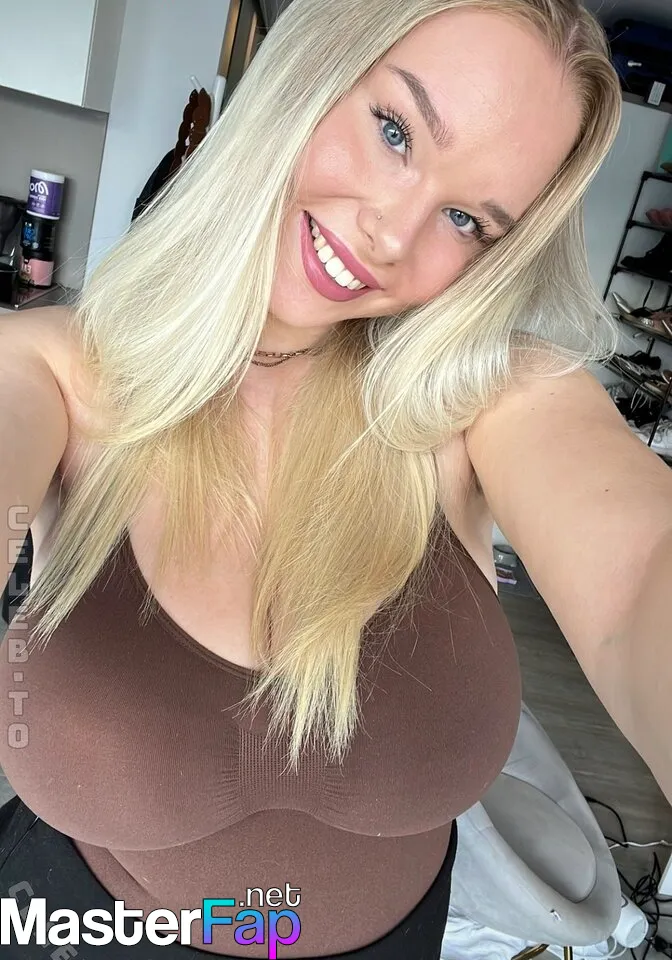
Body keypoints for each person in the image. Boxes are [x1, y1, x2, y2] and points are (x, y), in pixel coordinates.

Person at [1, 0, 671, 957]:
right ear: (310, 69)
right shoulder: (52, 370)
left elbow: (642, 574)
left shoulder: (484, 397)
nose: (393, 235)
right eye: (395, 129)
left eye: (466, 219)